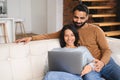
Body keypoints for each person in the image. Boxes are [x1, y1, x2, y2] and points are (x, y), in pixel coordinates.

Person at [16, 4, 120, 80]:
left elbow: (106, 50)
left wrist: (102, 62)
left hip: (105, 62)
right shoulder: (69, 31)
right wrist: (31, 38)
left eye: (82, 18)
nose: (78, 21)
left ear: (87, 17)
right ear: (72, 16)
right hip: (88, 65)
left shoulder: (96, 30)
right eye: (76, 17)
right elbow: (48, 35)